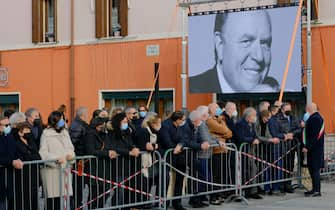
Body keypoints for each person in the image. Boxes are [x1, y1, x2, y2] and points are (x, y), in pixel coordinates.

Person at [189, 10, 279, 93]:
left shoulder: (273, 89)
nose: (259, 57)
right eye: (246, 41)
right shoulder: (191, 88)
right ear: (220, 45)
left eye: (265, 43)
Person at [39, 111, 75, 210]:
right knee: (52, 200)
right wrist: (55, 159)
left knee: (63, 199)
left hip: (64, 169)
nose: (63, 121)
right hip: (52, 171)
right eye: (61, 119)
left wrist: (70, 155)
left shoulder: (65, 132)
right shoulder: (46, 133)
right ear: (55, 120)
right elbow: (43, 153)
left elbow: (71, 148)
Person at [84, 117, 118, 208]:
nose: (105, 125)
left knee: (105, 192)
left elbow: (109, 145)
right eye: (103, 123)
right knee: (95, 194)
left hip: (104, 168)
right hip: (95, 168)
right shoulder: (90, 134)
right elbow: (91, 150)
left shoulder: (104, 134)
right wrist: (107, 153)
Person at [109, 112, 141, 210]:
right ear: (118, 122)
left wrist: (134, 148)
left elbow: (129, 143)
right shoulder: (112, 133)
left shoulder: (127, 132)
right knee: (119, 192)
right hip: (118, 166)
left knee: (127, 191)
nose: (126, 123)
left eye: (127, 121)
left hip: (128, 166)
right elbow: (114, 147)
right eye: (124, 122)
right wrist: (129, 152)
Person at [158, 111, 186, 210]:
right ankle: (162, 203)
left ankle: (177, 202)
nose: (184, 122)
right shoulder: (165, 126)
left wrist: (180, 145)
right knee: (165, 180)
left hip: (179, 157)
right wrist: (176, 147)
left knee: (179, 180)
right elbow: (167, 142)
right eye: (182, 120)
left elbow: (184, 138)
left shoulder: (181, 126)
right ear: (177, 120)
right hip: (166, 157)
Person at [206, 103, 232, 205]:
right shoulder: (210, 120)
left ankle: (219, 194)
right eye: (216, 108)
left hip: (223, 150)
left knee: (221, 175)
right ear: (210, 110)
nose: (218, 109)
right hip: (215, 151)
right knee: (216, 175)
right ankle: (214, 196)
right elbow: (224, 130)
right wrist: (222, 134)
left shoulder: (220, 119)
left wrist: (221, 134)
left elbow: (229, 133)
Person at [235, 107, 263, 199]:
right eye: (254, 115)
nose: (255, 117)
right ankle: (246, 191)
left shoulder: (252, 124)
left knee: (253, 169)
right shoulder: (240, 124)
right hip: (243, 151)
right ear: (248, 116)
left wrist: (256, 139)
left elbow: (255, 135)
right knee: (245, 171)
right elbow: (241, 137)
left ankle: (252, 191)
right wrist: (252, 140)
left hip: (251, 151)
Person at [13, 122, 41, 210]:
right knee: (24, 201)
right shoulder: (17, 143)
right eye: (25, 130)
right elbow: (25, 157)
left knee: (34, 200)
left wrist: (30, 154)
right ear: (20, 132)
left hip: (33, 176)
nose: (28, 132)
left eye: (29, 129)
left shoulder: (31, 142)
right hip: (23, 177)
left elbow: (38, 157)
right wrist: (31, 155)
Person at [135, 112, 161, 208]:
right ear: (152, 123)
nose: (159, 126)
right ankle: (141, 202)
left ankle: (146, 201)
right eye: (158, 123)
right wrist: (155, 146)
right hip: (143, 160)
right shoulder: (144, 131)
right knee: (143, 182)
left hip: (150, 159)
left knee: (149, 181)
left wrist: (154, 146)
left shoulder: (153, 132)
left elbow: (153, 146)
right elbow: (147, 146)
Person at [276, 102, 301, 193]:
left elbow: (299, 128)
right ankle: (281, 184)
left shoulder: (293, 117)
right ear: (282, 109)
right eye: (287, 109)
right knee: (283, 165)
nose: (289, 111)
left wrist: (292, 134)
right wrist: (285, 135)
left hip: (292, 144)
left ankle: (288, 184)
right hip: (282, 145)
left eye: (290, 108)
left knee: (290, 165)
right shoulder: (278, 118)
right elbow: (277, 130)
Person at [0, 115, 24, 210]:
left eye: (9, 124)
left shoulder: (9, 136)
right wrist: (11, 162)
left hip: (10, 177)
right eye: (5, 125)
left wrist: (18, 159)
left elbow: (15, 151)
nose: (8, 127)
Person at [255, 110, 281, 195]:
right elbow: (257, 136)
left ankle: (272, 188)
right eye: (267, 118)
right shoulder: (257, 123)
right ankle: (265, 188)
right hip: (260, 148)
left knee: (271, 168)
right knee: (265, 169)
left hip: (268, 147)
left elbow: (268, 134)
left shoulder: (268, 123)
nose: (268, 120)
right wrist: (270, 140)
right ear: (263, 117)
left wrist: (273, 139)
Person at [303, 103, 324, 197]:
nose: (306, 110)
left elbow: (314, 136)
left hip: (315, 149)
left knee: (315, 169)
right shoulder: (317, 117)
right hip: (315, 148)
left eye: (307, 108)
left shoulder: (315, 118)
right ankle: (314, 189)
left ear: (310, 109)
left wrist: (307, 147)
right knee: (312, 168)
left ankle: (317, 191)